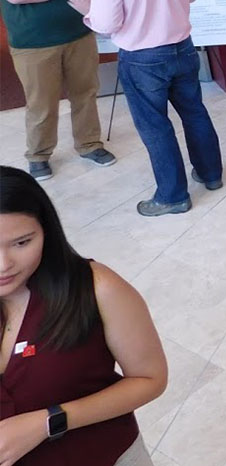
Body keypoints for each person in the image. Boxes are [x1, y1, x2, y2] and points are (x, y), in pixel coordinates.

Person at [65, 0, 223, 217]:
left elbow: (107, 22)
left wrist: (87, 7)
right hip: (183, 47)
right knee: (194, 112)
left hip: (143, 58)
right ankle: (211, 175)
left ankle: (172, 196)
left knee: (155, 126)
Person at [0, 165, 168, 466]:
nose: (3, 265)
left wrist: (49, 422)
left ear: (46, 232)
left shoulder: (97, 288)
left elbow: (150, 378)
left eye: (22, 242)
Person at [0, 0, 116, 182]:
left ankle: (90, 144)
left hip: (78, 34)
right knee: (41, 103)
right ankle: (38, 155)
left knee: (86, 94)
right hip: (31, 43)